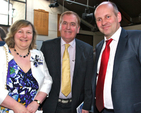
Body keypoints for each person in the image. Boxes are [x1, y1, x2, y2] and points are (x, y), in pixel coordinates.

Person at [41, 11, 94, 113]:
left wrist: (87, 106)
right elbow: (41, 77)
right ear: (60, 26)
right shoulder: (47, 47)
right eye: (65, 23)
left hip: (75, 106)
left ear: (78, 29)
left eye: (73, 24)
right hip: (51, 106)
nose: (68, 27)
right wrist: (40, 102)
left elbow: (89, 82)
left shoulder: (87, 50)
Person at [92, 1, 141, 113]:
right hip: (101, 110)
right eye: (99, 19)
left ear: (118, 17)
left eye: (107, 16)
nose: (103, 22)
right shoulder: (99, 47)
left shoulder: (137, 39)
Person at [0, 20, 52, 113]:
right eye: (20, 31)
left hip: (32, 110)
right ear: (13, 34)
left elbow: (47, 81)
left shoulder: (38, 55)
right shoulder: (2, 54)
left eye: (28, 32)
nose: (24, 36)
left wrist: (37, 102)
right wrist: (16, 106)